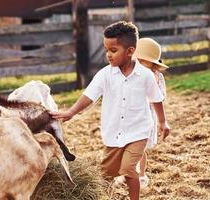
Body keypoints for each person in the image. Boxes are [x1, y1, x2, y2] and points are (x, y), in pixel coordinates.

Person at [51, 21, 170, 200]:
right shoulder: (104, 75)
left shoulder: (145, 76)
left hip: (139, 131)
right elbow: (89, 95)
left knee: (129, 169)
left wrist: (162, 122)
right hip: (113, 134)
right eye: (106, 50)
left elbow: (156, 99)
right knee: (107, 174)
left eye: (113, 50)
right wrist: (71, 112)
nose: (108, 55)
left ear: (130, 51)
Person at [134, 38, 169, 188]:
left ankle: (141, 176)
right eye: (137, 61)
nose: (139, 65)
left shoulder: (157, 77)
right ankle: (127, 174)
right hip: (130, 116)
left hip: (146, 117)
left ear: (153, 64)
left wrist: (162, 121)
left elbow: (160, 98)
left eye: (144, 62)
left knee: (140, 148)